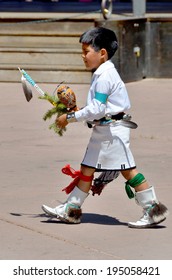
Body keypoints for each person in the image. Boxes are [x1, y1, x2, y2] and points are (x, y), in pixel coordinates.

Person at [42, 27, 168, 228]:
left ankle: (153, 209)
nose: (83, 56)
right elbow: (98, 110)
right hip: (106, 131)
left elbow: (98, 109)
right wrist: (80, 111)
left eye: (86, 52)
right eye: (82, 52)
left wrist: (71, 116)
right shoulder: (102, 72)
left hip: (113, 133)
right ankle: (71, 209)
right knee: (87, 169)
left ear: (102, 53)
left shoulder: (104, 76)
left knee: (128, 171)